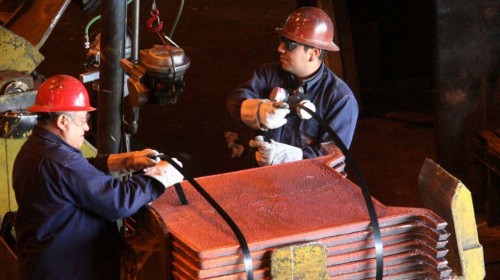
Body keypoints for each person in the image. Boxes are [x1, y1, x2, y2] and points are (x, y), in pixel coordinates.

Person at [12, 74, 184, 280]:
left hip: (45, 266)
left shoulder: (36, 148)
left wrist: (125, 161)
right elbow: (119, 202)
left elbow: (80, 174)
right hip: (69, 272)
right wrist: (159, 177)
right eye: (83, 120)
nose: (86, 127)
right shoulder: (61, 162)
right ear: (63, 121)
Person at [227, 6, 358, 166]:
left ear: (313, 53)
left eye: (289, 44)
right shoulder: (268, 74)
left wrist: (285, 157)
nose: (280, 48)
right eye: (282, 41)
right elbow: (234, 102)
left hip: (307, 185)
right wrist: (256, 110)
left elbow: (332, 156)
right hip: (262, 177)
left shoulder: (340, 99)